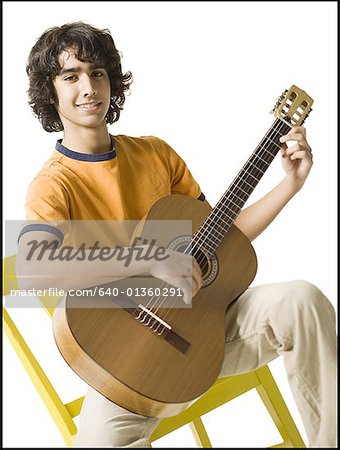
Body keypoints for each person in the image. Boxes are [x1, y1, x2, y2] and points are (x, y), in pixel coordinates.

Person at [18, 21, 336, 448]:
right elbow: (35, 269)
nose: (89, 87)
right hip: (124, 360)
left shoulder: (155, 153)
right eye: (70, 76)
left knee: (302, 300)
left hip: (205, 335)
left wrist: (289, 186)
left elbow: (219, 236)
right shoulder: (52, 185)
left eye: (97, 72)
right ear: (50, 93)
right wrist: (149, 259)